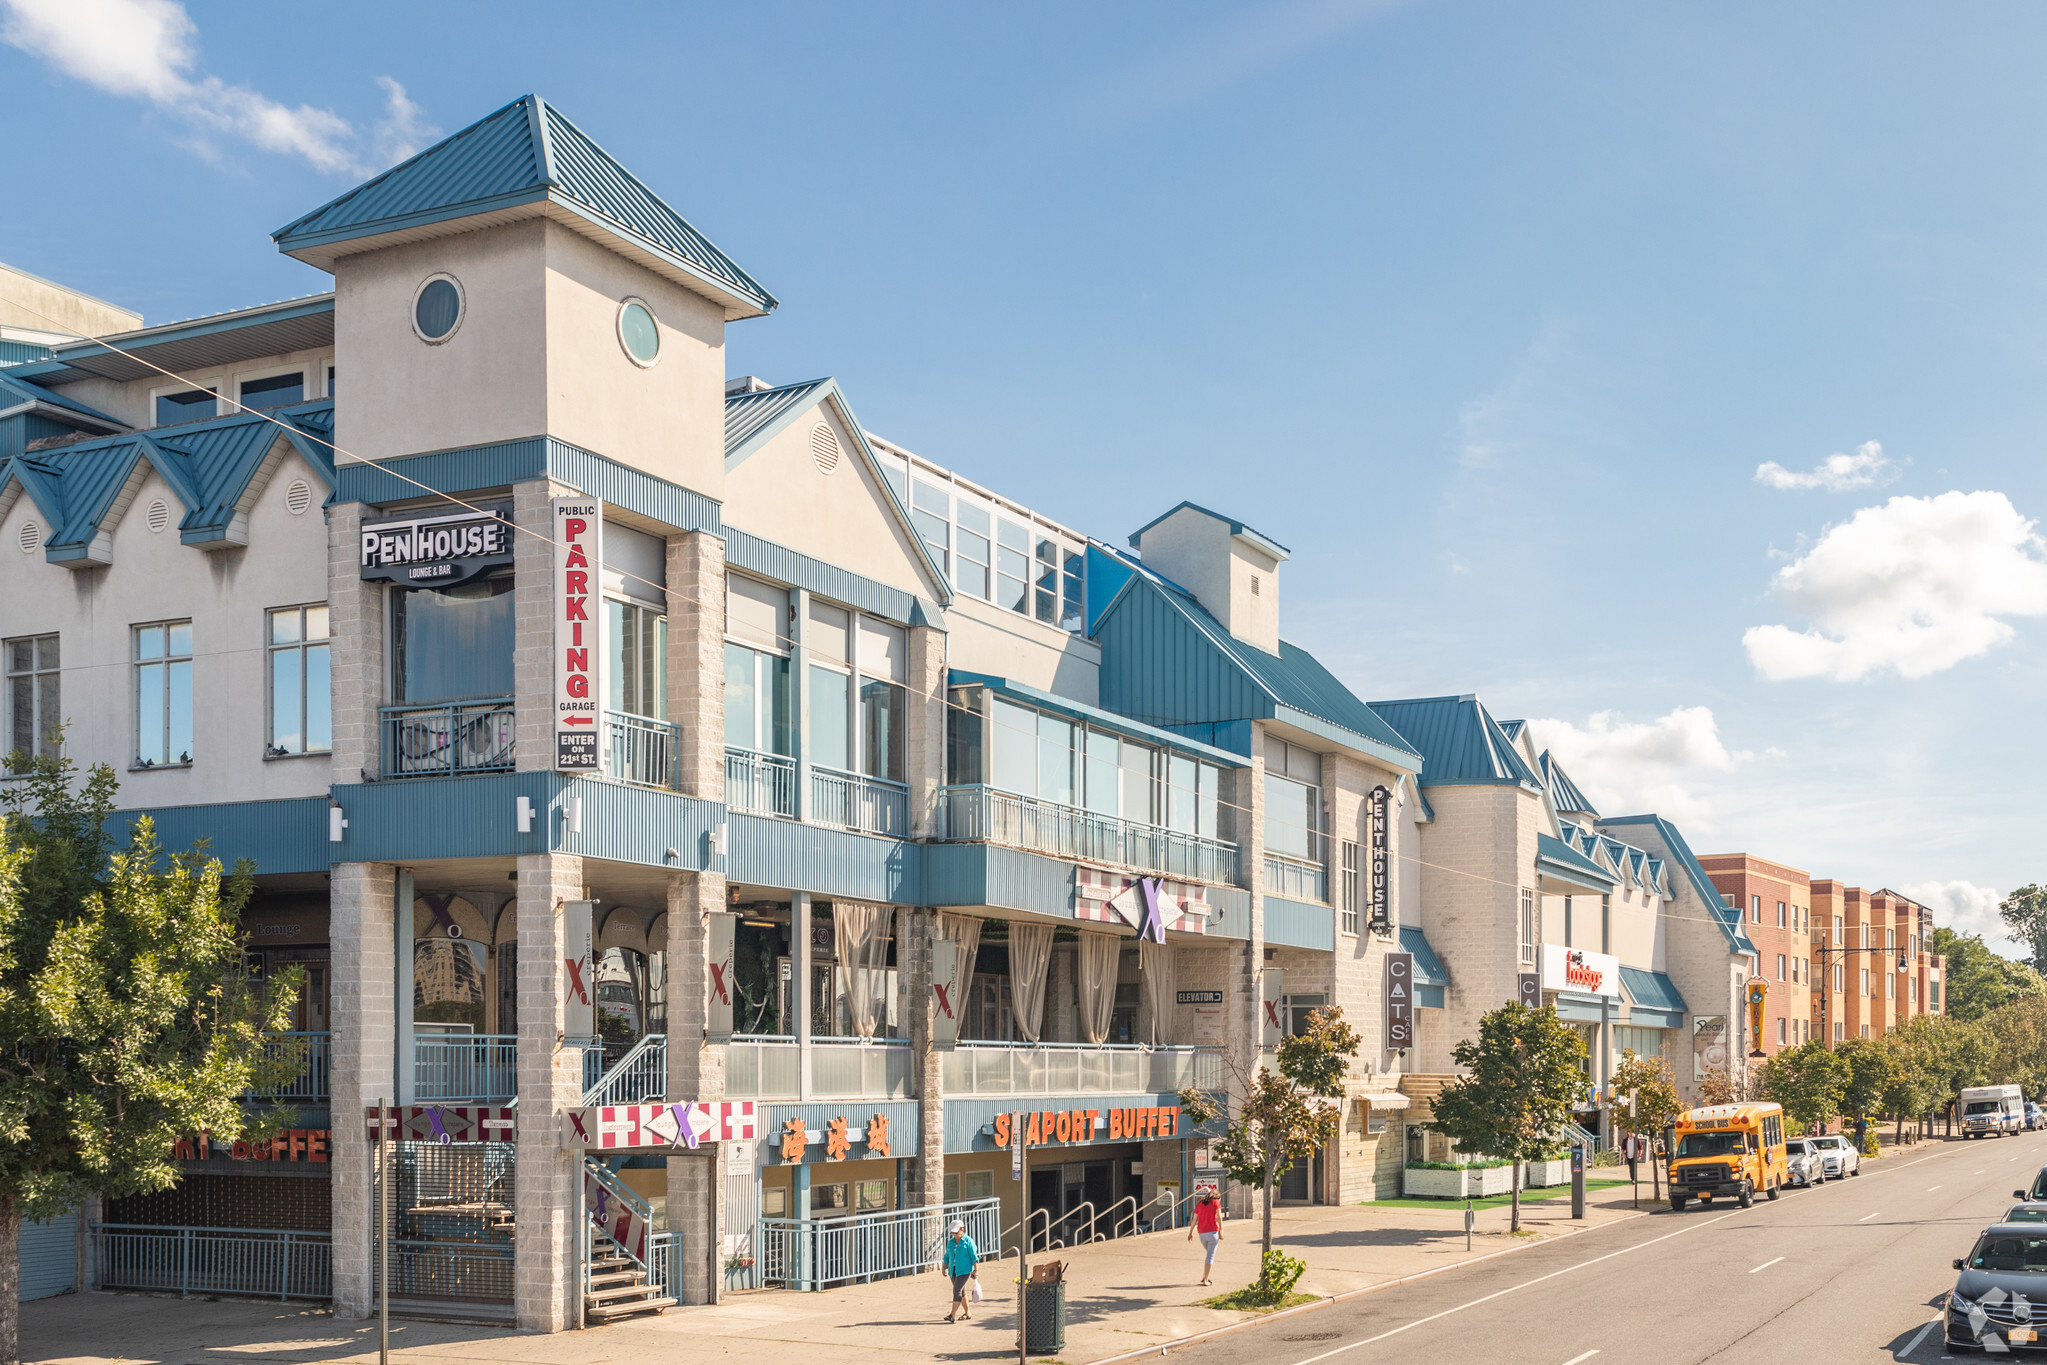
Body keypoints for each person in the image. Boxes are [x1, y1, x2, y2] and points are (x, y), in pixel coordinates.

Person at [941, 1219, 978, 1322]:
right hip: (953, 1270)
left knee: (956, 1291)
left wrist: (976, 1270)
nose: (954, 1235)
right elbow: (947, 1255)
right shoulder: (951, 1242)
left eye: (956, 1232)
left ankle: (952, 1315)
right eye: (952, 1232)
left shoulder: (968, 1241)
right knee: (961, 1293)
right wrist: (944, 1267)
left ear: (962, 1229)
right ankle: (968, 1313)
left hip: (964, 1271)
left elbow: (974, 1257)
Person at [1187, 1188, 1223, 1286]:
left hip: (1202, 1233)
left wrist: (1190, 1233)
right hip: (1213, 1232)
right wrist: (1221, 1229)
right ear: (1216, 1197)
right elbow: (1219, 1217)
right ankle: (1206, 1280)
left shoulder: (1200, 1204)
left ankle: (1204, 1276)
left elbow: (1194, 1220)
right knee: (1210, 1257)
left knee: (1209, 1255)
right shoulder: (1216, 1202)